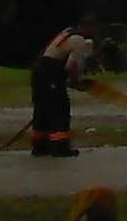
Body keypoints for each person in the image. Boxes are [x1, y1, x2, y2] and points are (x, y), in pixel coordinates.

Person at [32, 22, 96, 158]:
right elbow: (71, 66)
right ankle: (59, 148)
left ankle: (40, 146)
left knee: (42, 109)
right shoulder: (80, 41)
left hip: (39, 71)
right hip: (51, 73)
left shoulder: (67, 32)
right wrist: (75, 82)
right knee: (59, 109)